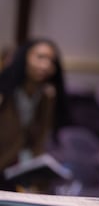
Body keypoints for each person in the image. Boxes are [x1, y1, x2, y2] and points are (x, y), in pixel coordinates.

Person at [0, 38, 70, 175]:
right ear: (24, 57)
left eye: (51, 61)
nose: (45, 65)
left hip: (17, 167)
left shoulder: (47, 96)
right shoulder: (4, 90)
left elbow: (39, 140)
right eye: (40, 57)